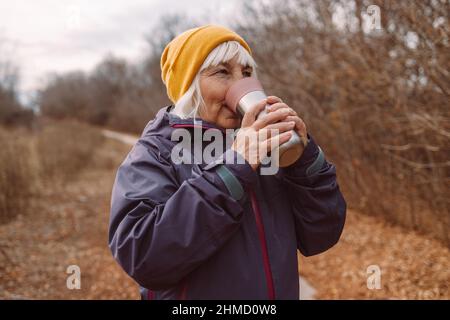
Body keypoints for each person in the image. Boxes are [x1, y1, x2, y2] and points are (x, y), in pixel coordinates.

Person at [108, 24, 346, 300]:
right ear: (189, 86)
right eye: (222, 72)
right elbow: (143, 256)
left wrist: (304, 160)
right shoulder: (157, 150)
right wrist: (234, 168)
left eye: (246, 73)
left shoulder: (265, 146)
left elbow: (321, 235)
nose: (240, 84)